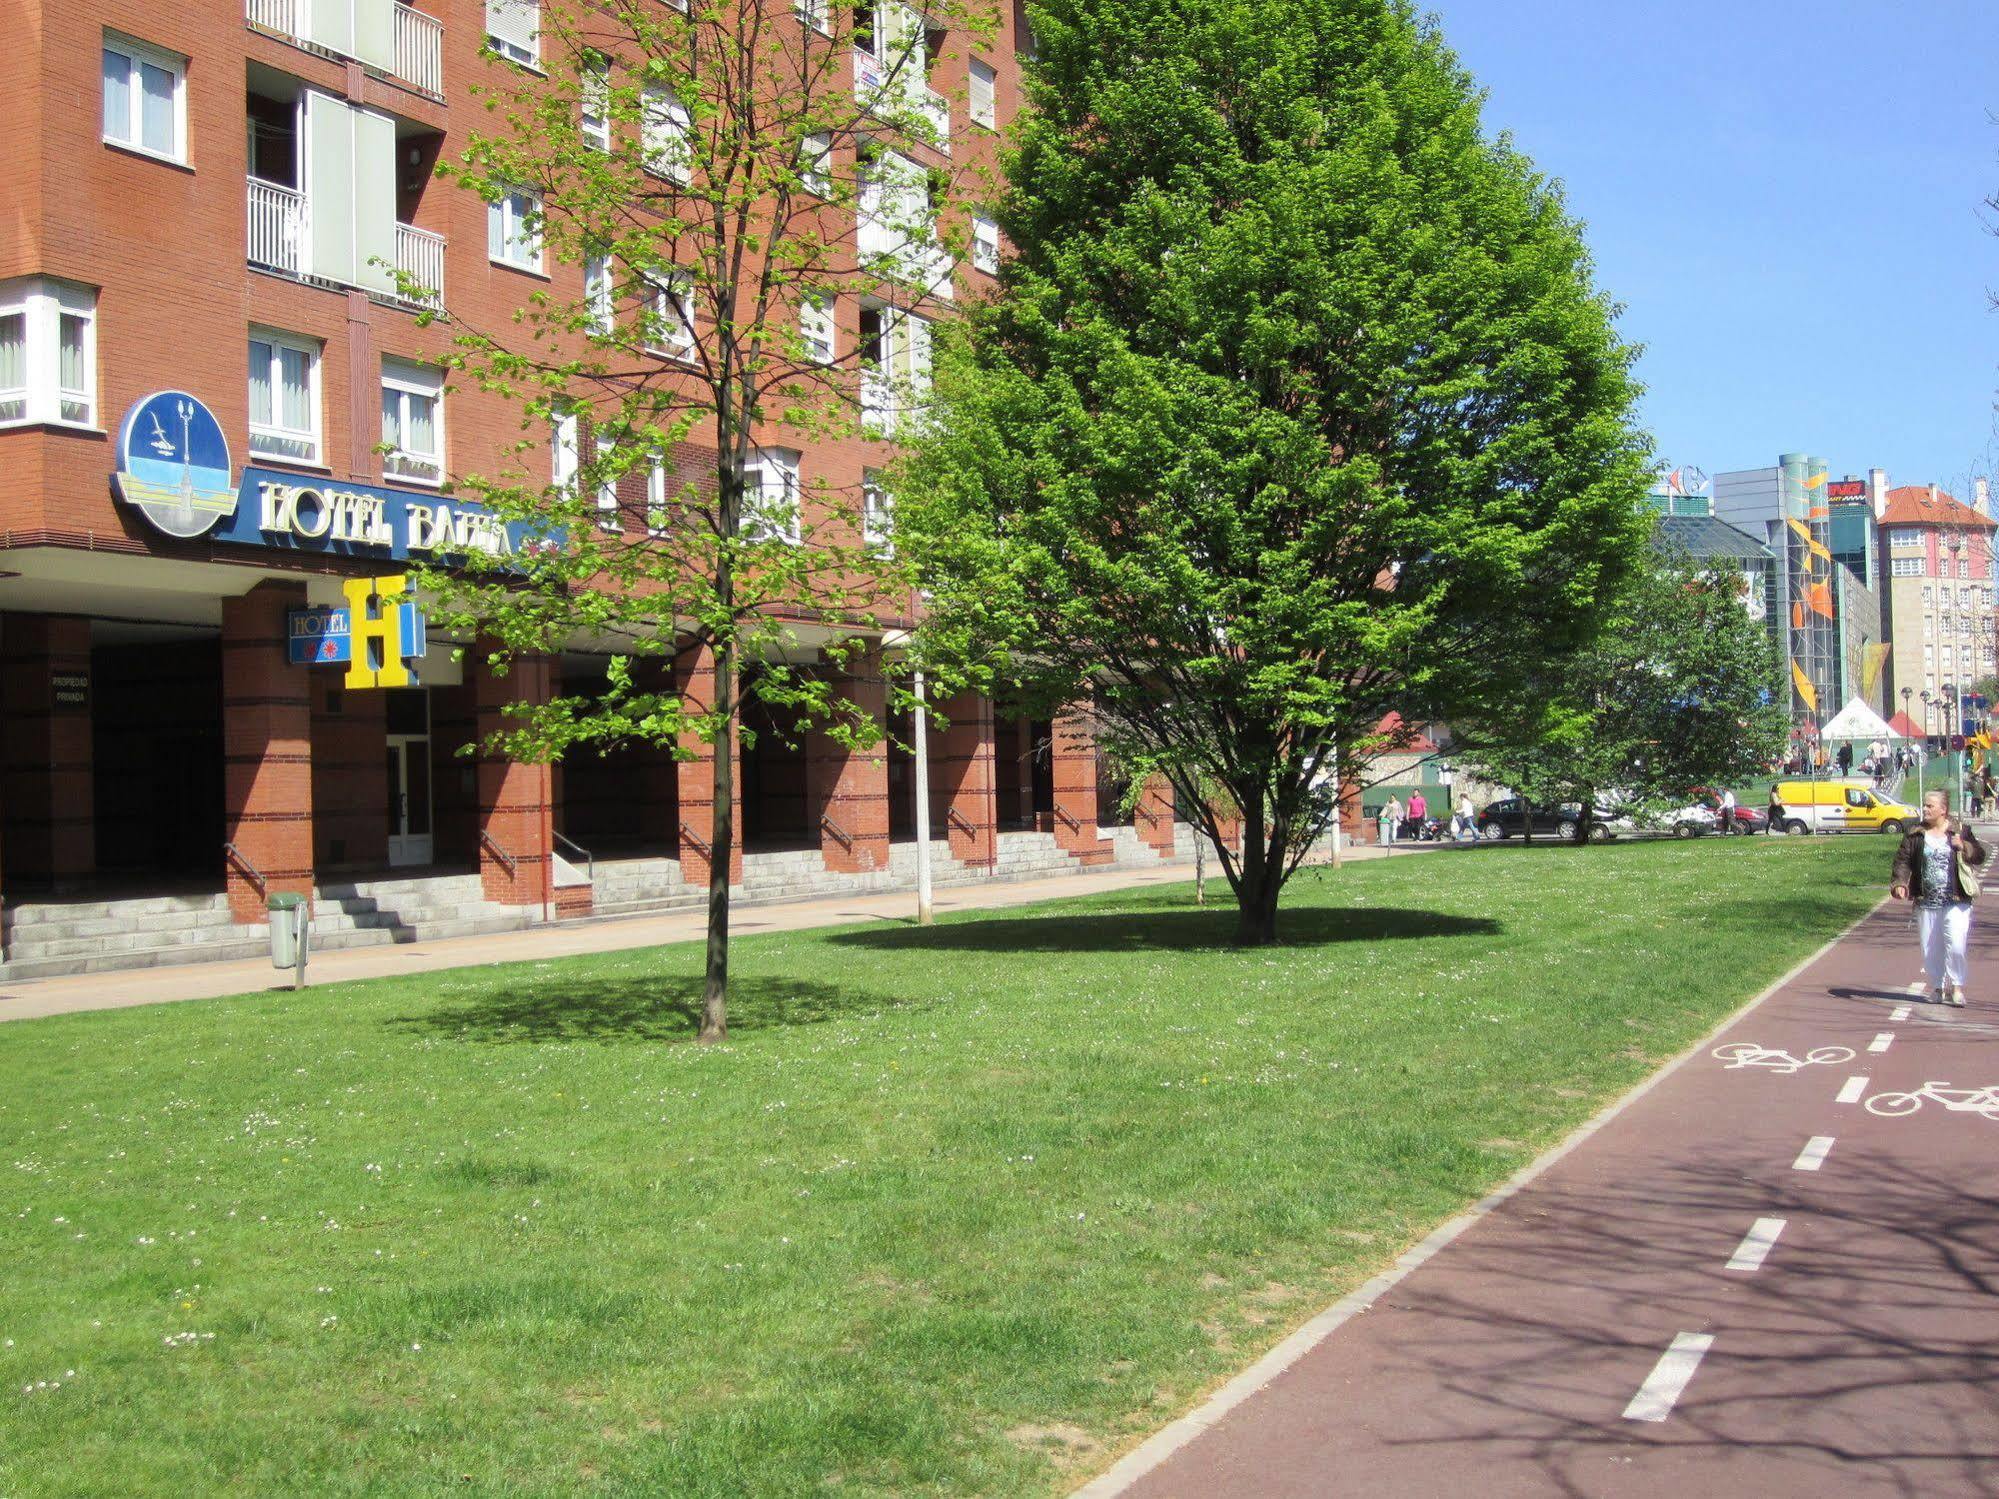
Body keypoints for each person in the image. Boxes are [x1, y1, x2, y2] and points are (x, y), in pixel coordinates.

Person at [1890, 790, 1986, 1007]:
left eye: (1930, 806)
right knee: (1931, 948)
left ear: (1943, 809)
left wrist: (1964, 846)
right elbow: (1902, 861)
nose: (1925, 809)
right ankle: (1937, 987)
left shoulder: (1960, 831)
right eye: (1924, 805)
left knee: (1956, 944)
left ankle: (1957, 987)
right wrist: (1900, 883)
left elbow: (1980, 855)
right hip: (1927, 901)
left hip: (1957, 900)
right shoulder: (1915, 834)